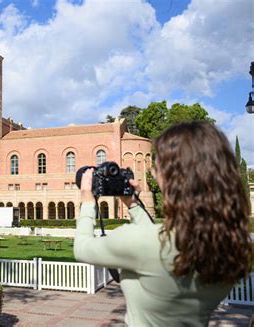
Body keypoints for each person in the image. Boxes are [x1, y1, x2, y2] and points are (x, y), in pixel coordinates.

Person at [74, 121, 251, 326]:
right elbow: (156, 240)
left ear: (173, 179)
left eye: (157, 168)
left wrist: (87, 203)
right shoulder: (232, 248)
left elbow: (82, 248)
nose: (152, 174)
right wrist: (133, 205)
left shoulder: (141, 241)